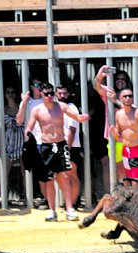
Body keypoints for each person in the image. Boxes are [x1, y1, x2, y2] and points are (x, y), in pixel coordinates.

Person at [24, 82, 91, 221]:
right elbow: (28, 127)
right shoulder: (37, 110)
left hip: (60, 144)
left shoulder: (61, 107)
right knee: (49, 179)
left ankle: (69, 209)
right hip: (46, 146)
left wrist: (83, 117)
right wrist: (28, 134)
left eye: (51, 93)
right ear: (41, 94)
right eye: (46, 93)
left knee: (65, 177)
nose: (49, 96)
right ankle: (52, 210)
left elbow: (77, 117)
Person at [110, 86, 138, 187]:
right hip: (126, 151)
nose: (128, 98)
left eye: (130, 96)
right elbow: (119, 137)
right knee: (127, 178)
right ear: (120, 98)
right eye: (125, 96)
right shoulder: (118, 114)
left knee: (136, 182)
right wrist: (114, 133)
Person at [17, 78, 50, 209]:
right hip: (31, 141)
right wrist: (24, 103)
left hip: (47, 140)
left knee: (50, 172)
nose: (39, 87)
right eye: (36, 85)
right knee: (38, 172)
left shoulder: (47, 100)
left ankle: (51, 201)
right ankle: (44, 198)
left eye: (41, 85)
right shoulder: (27, 102)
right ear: (31, 86)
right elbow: (19, 121)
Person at [56, 84, 83, 209]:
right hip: (59, 146)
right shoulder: (56, 108)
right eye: (59, 93)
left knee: (72, 174)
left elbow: (72, 130)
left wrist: (67, 148)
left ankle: (72, 204)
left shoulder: (72, 108)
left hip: (71, 147)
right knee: (60, 176)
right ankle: (69, 202)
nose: (62, 96)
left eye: (64, 93)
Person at [3, 86, 24, 205]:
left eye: (12, 92)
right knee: (6, 170)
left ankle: (27, 196)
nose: (10, 94)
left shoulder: (20, 107)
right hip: (9, 141)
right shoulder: (3, 108)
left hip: (21, 140)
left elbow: (21, 122)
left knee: (24, 170)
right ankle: (4, 197)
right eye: (8, 92)